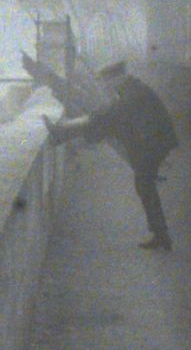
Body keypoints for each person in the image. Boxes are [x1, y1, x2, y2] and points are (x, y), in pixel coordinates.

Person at [44, 62, 180, 251]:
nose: (104, 86)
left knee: (144, 184)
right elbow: (110, 113)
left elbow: (111, 113)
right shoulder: (132, 88)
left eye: (106, 81)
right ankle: (161, 235)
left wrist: (76, 123)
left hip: (154, 143)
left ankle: (161, 235)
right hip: (152, 141)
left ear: (118, 78)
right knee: (144, 184)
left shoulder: (133, 94)